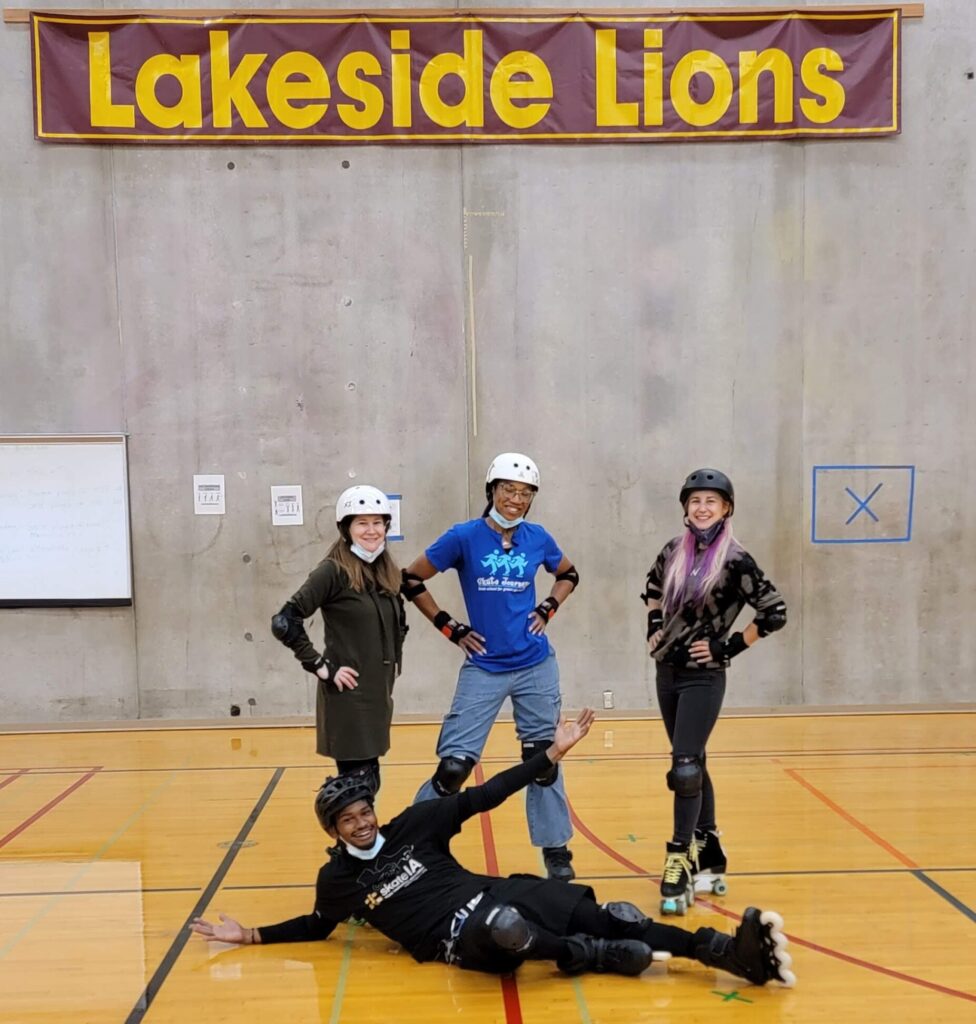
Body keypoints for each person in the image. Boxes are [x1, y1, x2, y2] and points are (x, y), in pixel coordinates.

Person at [190, 708, 795, 988]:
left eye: (363, 811)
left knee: (608, 914)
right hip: (459, 937)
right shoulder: (339, 882)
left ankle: (719, 954)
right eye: (346, 821)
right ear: (332, 832)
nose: (360, 824)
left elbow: (492, 792)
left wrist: (550, 753)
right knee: (507, 927)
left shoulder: (415, 823)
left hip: (491, 890)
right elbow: (318, 925)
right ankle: (587, 956)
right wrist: (249, 936)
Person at [400, 452, 580, 881]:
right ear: (491, 491)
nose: (516, 499)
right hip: (484, 666)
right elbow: (410, 579)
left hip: (535, 663)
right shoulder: (463, 537)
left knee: (543, 759)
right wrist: (450, 627)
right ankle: (410, 842)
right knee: (454, 767)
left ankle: (556, 851)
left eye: (525, 493)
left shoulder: (538, 538)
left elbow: (569, 574)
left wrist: (550, 605)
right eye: (508, 490)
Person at [642, 469, 788, 914]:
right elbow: (650, 588)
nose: (702, 507)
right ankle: (711, 849)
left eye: (712, 501)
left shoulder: (736, 561)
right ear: (686, 508)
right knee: (694, 760)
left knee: (684, 768)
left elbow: (774, 612)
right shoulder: (673, 550)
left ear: (726, 508)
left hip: (704, 677)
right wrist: (653, 628)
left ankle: (678, 857)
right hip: (666, 672)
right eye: (695, 501)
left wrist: (728, 646)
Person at [271, 485, 407, 790]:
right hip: (349, 697)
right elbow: (285, 621)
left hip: (377, 694)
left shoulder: (384, 571)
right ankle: (350, 838)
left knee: (366, 783)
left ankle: (353, 839)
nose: (371, 530)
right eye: (361, 523)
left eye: (377, 522)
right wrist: (321, 667)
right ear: (346, 529)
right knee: (357, 788)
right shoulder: (333, 571)